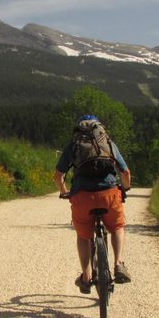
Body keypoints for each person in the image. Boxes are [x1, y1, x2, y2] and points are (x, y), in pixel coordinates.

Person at [54, 115, 132, 294]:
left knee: (83, 236)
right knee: (118, 226)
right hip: (109, 194)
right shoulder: (108, 143)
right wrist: (124, 189)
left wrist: (64, 191)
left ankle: (86, 277)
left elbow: (58, 176)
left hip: (82, 197)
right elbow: (125, 172)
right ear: (100, 129)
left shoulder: (73, 146)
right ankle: (119, 264)